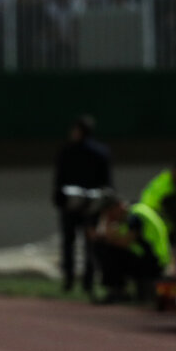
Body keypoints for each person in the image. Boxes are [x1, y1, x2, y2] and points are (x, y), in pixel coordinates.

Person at [52, 114, 113, 293]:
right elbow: (107, 182)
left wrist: (60, 199)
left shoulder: (67, 151)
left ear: (78, 131)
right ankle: (88, 281)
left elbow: (59, 179)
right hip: (92, 205)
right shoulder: (101, 152)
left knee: (69, 242)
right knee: (90, 243)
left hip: (71, 204)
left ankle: (69, 280)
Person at [88, 191, 170, 302]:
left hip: (155, 262)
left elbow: (124, 242)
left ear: (117, 207)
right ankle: (118, 290)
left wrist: (105, 226)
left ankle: (117, 291)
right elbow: (113, 236)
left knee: (104, 248)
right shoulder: (130, 214)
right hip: (149, 258)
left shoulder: (135, 216)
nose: (111, 218)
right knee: (104, 246)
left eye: (110, 214)